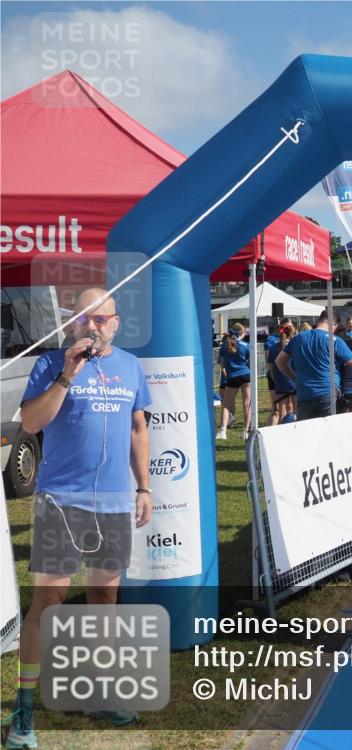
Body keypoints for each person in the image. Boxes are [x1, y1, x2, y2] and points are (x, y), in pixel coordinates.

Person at [6, 288, 153, 748]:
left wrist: (145, 486)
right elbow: (31, 424)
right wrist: (67, 376)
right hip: (60, 500)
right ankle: (23, 711)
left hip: (113, 502)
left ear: (115, 322)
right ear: (71, 324)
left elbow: (138, 428)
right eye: (81, 319)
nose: (90, 326)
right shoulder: (52, 364)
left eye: (99, 318)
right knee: (49, 602)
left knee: (104, 600)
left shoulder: (130, 366)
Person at [276, 310, 351, 420]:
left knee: (308, 432)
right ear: (333, 323)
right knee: (330, 431)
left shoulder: (298, 338)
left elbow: (279, 362)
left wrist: (295, 378)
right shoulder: (334, 339)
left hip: (305, 393)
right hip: (328, 391)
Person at [216, 322, 252, 440]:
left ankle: (223, 431)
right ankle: (245, 431)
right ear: (242, 333)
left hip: (233, 376)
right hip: (246, 375)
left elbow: (222, 365)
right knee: (247, 404)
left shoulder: (225, 345)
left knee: (226, 404)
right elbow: (250, 362)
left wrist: (225, 372)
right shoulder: (246, 346)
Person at [267, 320, 297, 426]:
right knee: (295, 411)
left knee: (281, 412)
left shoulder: (274, 347)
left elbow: (270, 366)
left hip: (280, 382)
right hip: (294, 381)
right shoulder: (295, 346)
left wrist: (275, 380)